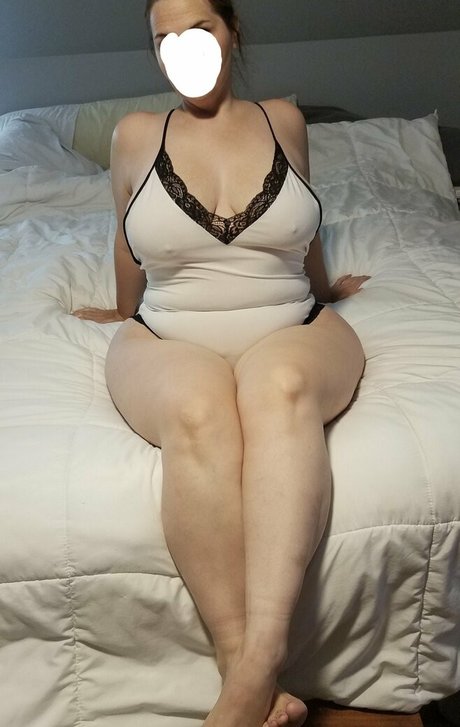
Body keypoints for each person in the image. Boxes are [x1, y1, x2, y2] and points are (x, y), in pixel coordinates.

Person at [73, 0, 370, 724]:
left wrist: (327, 289)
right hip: (169, 334)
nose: (184, 49)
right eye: (165, 39)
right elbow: (126, 237)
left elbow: (306, 228)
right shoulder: (135, 134)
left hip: (292, 323)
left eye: (200, 28)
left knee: (279, 386)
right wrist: (122, 310)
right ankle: (244, 667)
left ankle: (258, 661)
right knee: (199, 407)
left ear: (233, 31)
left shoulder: (284, 120)